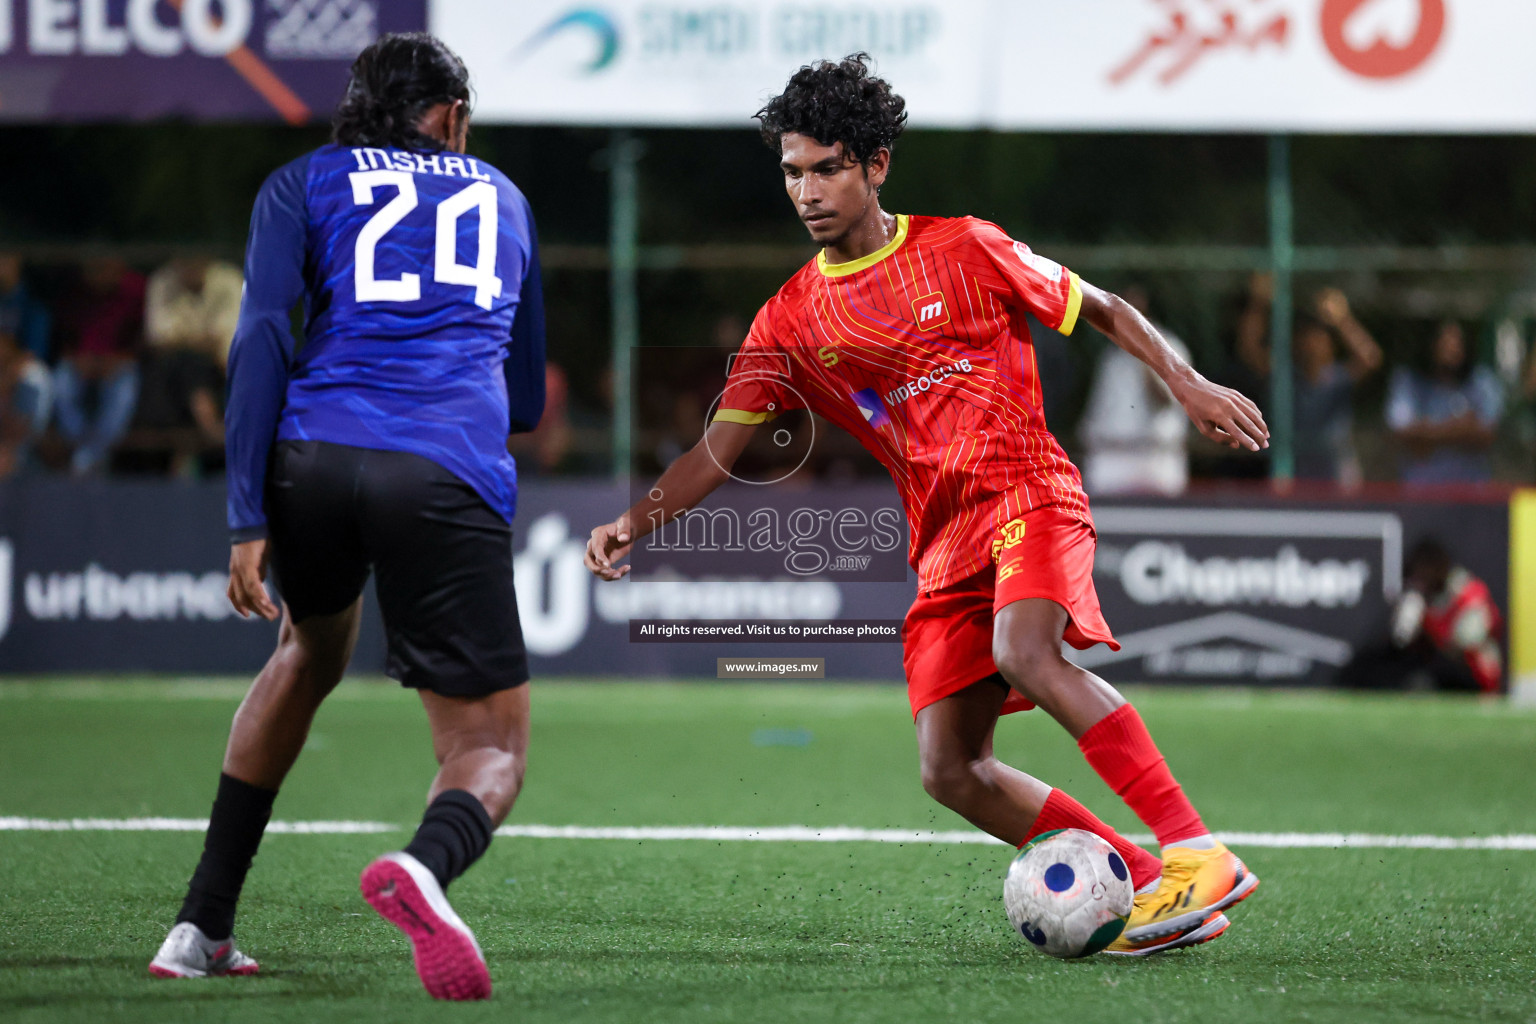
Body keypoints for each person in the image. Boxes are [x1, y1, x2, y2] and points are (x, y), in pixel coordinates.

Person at [585, 55, 1264, 956]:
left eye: (827, 167)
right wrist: (636, 519)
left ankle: (1195, 847)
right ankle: (1143, 885)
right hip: (943, 540)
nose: (808, 190)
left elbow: (1097, 306)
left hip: (1029, 489)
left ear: (875, 165)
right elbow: (720, 448)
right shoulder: (789, 320)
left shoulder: (965, 246)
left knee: (1024, 651)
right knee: (951, 769)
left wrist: (1185, 381)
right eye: (793, 171)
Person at [148, 33, 546, 1001]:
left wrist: (248, 514)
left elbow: (260, 342)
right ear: (449, 116)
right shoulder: (503, 197)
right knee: (488, 746)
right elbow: (527, 396)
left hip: (310, 463)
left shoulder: (301, 183)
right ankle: (423, 864)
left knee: (305, 653)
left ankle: (201, 922)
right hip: (441, 470)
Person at [1340, 539, 1503, 694]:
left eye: (1425, 573)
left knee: (1429, 673)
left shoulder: (1467, 594)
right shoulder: (1418, 600)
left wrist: (1429, 625)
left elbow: (1467, 643)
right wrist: (1407, 628)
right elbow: (1400, 643)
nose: (1420, 580)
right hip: (1437, 666)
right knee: (1375, 662)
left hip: (1472, 675)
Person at [1079, 285, 1190, 496]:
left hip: (1154, 459)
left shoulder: (1171, 347)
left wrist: (1146, 356)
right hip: (1112, 460)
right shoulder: (1112, 355)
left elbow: (1166, 401)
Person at [138, 254, 243, 473]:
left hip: (220, 371)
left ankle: (186, 449)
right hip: (172, 372)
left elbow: (226, 342)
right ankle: (207, 425)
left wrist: (185, 340)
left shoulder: (230, 280)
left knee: (192, 364)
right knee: (183, 364)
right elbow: (158, 339)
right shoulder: (162, 281)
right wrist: (199, 341)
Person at [53, 257, 144, 475]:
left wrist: (121, 358)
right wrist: (76, 359)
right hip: (80, 361)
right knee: (61, 381)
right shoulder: (74, 291)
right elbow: (62, 338)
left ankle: (89, 457)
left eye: (105, 267)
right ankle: (87, 451)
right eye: (94, 268)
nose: (99, 273)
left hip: (120, 362)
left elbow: (143, 340)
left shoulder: (135, 288)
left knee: (125, 387)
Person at [1387, 320, 1503, 484]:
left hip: (1472, 494)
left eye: (1457, 344)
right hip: (1421, 492)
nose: (1451, 350)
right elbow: (1402, 433)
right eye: (1445, 343)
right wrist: (1460, 428)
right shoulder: (1408, 381)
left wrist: (1427, 431)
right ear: (1432, 345)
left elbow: (1486, 435)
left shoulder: (1482, 382)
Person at [0, 253, 54, 476]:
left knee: (37, 376)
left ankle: (18, 453)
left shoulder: (31, 305)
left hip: (16, 371)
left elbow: (33, 354)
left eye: (4, 259)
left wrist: (7, 374)